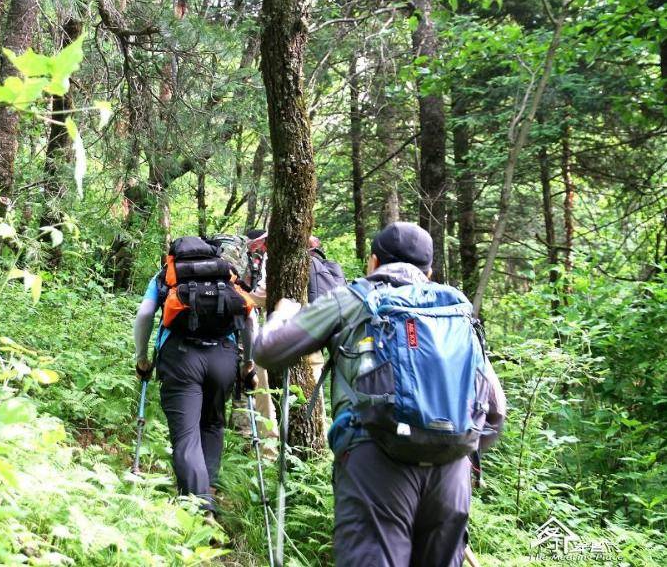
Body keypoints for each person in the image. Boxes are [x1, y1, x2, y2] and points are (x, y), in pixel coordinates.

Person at [253, 222, 507, 567]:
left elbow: (268, 352)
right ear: (429, 271)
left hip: (375, 460)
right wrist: (451, 447)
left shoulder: (353, 298)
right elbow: (495, 410)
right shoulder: (456, 309)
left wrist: (280, 316)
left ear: (373, 262)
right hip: (452, 472)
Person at [133, 236, 257, 514]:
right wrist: (248, 363)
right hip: (223, 358)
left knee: (187, 435)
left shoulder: (167, 276)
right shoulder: (225, 275)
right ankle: (208, 491)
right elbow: (250, 318)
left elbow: (144, 316)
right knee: (213, 424)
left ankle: (200, 508)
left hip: (180, 357)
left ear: (173, 255)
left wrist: (142, 358)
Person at [246, 230, 348, 433]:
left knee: (264, 390)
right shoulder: (316, 265)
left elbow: (256, 298)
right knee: (313, 397)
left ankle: (269, 447)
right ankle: (317, 442)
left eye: (266, 244)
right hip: (313, 341)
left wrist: (239, 292)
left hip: (281, 339)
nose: (264, 249)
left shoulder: (282, 268)